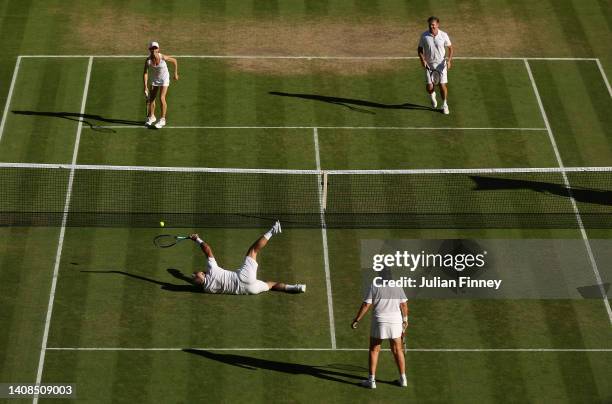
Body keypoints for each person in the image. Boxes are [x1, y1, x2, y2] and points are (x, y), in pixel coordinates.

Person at [189, 221, 306, 295]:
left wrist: (200, 275)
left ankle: (296, 288)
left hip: (249, 290)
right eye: (196, 275)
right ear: (203, 275)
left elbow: (200, 277)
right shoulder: (212, 270)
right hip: (243, 277)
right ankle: (274, 230)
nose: (195, 274)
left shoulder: (207, 289)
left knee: (271, 285)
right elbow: (207, 249)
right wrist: (197, 239)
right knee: (253, 250)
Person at [351, 279, 409, 389]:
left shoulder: (374, 284)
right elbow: (404, 305)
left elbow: (366, 305)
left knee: (374, 349)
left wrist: (357, 320)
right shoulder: (397, 285)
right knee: (398, 350)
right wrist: (405, 320)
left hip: (379, 322)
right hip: (395, 322)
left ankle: (371, 381)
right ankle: (403, 379)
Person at [417, 16, 453, 115]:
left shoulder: (444, 35)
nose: (431, 26)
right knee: (429, 87)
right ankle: (432, 94)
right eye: (430, 25)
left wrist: (449, 61)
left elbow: (450, 48)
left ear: (438, 25)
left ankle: (445, 105)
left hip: (441, 64)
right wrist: (422, 59)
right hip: (429, 64)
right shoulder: (424, 36)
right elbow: (419, 49)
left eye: (433, 25)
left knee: (442, 85)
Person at [143, 41, 179, 128]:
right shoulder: (148, 61)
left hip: (164, 78)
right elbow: (145, 73)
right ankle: (152, 117)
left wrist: (175, 73)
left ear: (158, 49)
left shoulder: (162, 57)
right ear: (149, 49)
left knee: (161, 97)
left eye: (155, 48)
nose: (154, 50)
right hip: (155, 79)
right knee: (151, 99)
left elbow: (174, 60)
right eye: (152, 48)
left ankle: (163, 119)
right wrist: (145, 87)